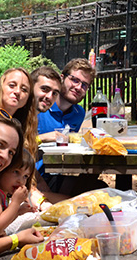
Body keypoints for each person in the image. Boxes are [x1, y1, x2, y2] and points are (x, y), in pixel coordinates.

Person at [36, 59, 107, 198]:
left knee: (99, 188)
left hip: (54, 175)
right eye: (74, 80)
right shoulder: (40, 107)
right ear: (62, 78)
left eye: (85, 85)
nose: (78, 87)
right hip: (31, 176)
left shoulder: (78, 113)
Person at [0, 148, 37, 237]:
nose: (21, 181)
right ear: (2, 169)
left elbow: (4, 222)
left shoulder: (3, 195)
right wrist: (15, 203)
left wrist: (18, 211)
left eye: (25, 176)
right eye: (16, 172)